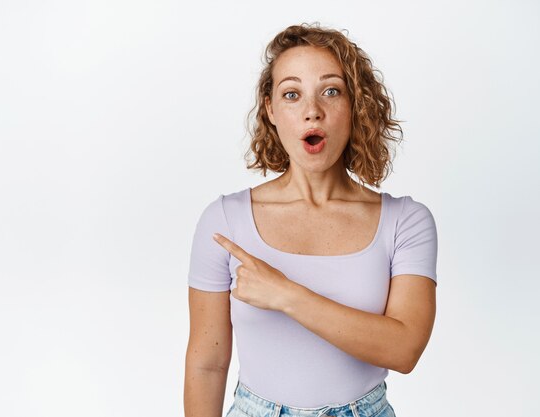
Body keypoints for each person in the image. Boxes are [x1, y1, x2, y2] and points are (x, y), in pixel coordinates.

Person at [184, 22, 438, 417]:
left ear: (355, 104)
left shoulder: (405, 221)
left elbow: (404, 351)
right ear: (270, 109)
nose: (312, 111)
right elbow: (207, 363)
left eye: (331, 91)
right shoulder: (225, 221)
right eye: (291, 94)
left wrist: (286, 295)